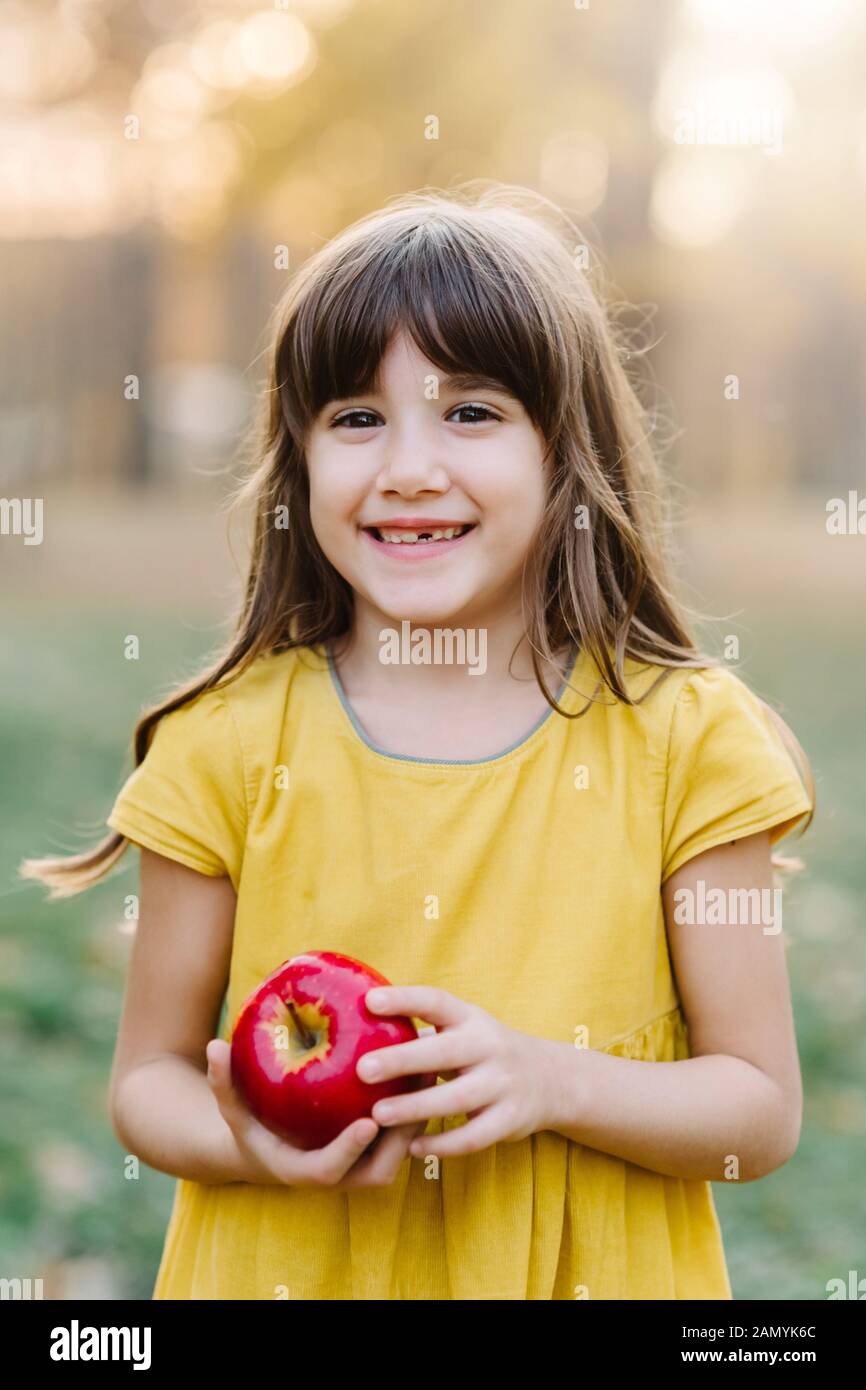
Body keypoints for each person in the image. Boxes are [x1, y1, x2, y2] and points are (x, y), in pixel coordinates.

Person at [20, 184, 816, 1300]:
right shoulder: (226, 747)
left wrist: (552, 1080)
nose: (406, 466)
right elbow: (147, 1080)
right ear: (299, 460)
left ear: (565, 452)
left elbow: (758, 1111)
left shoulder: (686, 741)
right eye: (356, 418)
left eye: (470, 412)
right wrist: (255, 1145)